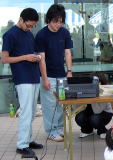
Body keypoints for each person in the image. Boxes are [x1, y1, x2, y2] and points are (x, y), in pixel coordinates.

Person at [1, 8, 43, 157]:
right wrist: (25, 57)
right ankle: (22, 145)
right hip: (22, 77)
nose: (30, 28)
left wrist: (36, 57)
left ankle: (28, 139)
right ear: (21, 19)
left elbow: (31, 53)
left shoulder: (29, 34)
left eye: (32, 26)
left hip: (33, 76)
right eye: (28, 25)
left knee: (31, 112)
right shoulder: (9, 35)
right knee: (26, 112)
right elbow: (4, 58)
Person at [35, 4, 73, 142]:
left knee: (61, 103)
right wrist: (44, 79)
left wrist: (69, 71)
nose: (59, 24)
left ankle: (59, 128)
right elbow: (41, 59)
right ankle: (51, 131)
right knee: (49, 105)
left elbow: (68, 53)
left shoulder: (64, 32)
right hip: (48, 75)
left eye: (61, 21)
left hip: (62, 75)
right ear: (49, 19)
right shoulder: (41, 35)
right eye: (56, 21)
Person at [75, 73, 113, 139]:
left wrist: (92, 96)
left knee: (94, 119)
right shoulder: (88, 89)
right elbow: (77, 109)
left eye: (97, 82)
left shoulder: (105, 91)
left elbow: (97, 111)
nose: (94, 84)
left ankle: (102, 131)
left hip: (105, 113)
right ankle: (87, 130)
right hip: (91, 113)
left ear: (101, 83)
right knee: (79, 117)